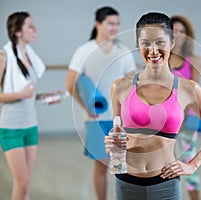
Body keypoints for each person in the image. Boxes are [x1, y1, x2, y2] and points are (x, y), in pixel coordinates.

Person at [105, 12, 201, 200]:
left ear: (172, 43)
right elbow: (117, 133)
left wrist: (193, 165)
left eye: (160, 42)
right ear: (138, 45)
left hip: (165, 183)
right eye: (146, 43)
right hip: (125, 181)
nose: (153, 50)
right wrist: (111, 143)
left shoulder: (188, 89)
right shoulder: (119, 86)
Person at [65, 6, 135, 200]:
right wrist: (86, 107)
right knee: (102, 164)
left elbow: (131, 82)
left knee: (122, 166)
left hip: (121, 119)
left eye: (118, 23)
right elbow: (71, 83)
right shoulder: (84, 51)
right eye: (110, 23)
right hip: (95, 118)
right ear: (98, 24)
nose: (115, 27)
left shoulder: (124, 51)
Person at [0, 11, 60, 200]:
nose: (35, 29)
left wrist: (43, 96)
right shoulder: (3, 57)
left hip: (31, 126)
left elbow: (28, 95)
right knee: (22, 183)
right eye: (30, 26)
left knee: (26, 185)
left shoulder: (30, 57)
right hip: (11, 128)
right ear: (18, 32)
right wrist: (21, 94)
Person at [169, 15, 201, 200]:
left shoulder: (193, 60)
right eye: (174, 31)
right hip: (164, 121)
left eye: (182, 31)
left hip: (186, 121)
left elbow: (194, 92)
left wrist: (183, 118)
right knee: (166, 167)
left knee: (189, 167)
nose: (179, 35)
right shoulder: (162, 58)